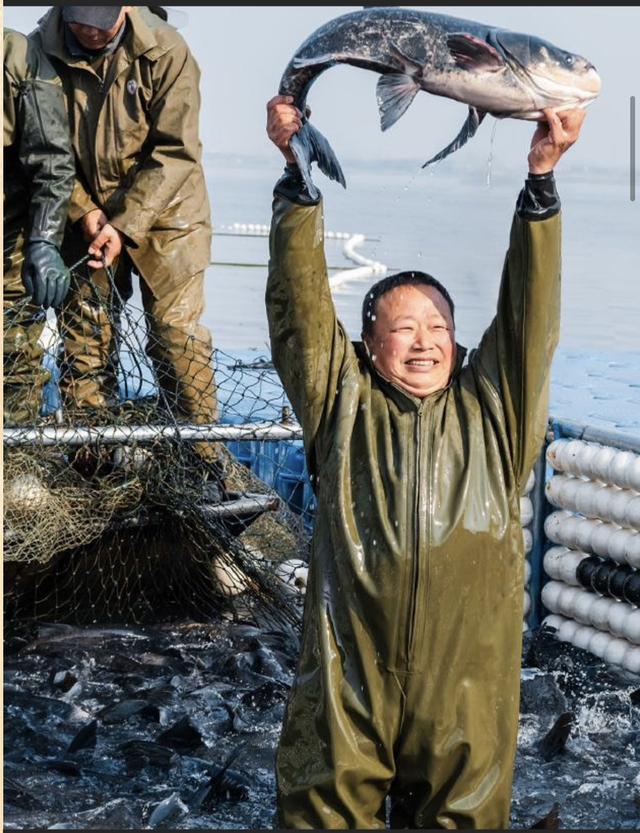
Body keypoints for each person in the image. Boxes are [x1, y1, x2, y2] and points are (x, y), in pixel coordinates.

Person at [266, 94, 586, 829]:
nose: (422, 341)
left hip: (465, 693)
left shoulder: (495, 412)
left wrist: (540, 183)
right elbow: (300, 310)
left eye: (437, 324)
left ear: (459, 339)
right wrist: (297, 183)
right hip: (349, 679)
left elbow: (531, 312)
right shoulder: (340, 402)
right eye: (400, 326)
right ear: (366, 346)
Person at [30, 6, 220, 470]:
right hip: (86, 215)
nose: (91, 31)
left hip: (168, 214)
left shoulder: (167, 51)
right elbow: (43, 145)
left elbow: (176, 152)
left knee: (176, 335)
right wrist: (84, 211)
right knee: (85, 338)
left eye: (103, 20)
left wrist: (126, 223)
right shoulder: (38, 50)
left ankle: (201, 461)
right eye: (80, 21)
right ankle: (91, 462)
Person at [3, 27, 75, 425]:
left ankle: (11, 467)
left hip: (6, 251)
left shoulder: (16, 56)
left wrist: (44, 240)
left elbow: (51, 161)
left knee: (14, 365)